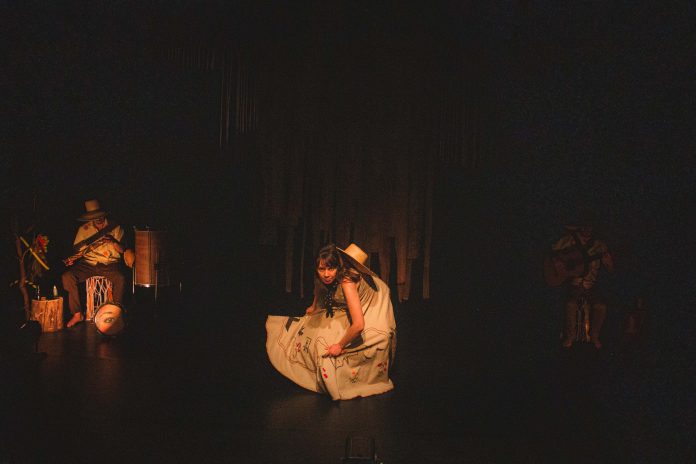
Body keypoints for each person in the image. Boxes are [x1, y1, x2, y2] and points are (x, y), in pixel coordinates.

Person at [266, 243, 397, 400]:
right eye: (321, 269)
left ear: (339, 267)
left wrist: (339, 346)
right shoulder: (325, 277)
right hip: (352, 304)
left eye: (331, 269)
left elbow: (358, 325)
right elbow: (319, 288)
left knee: (351, 342)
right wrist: (314, 307)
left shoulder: (347, 282)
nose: (326, 274)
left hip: (374, 304)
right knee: (312, 327)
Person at [61, 199, 130, 328]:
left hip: (110, 264)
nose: (97, 218)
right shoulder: (84, 229)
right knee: (67, 276)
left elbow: (123, 250)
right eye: (94, 216)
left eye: (99, 215)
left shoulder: (116, 228)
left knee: (121, 279)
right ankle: (77, 314)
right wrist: (73, 259)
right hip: (88, 264)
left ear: (104, 214)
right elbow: (77, 250)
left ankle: (115, 314)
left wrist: (113, 241)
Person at [551, 210, 614, 349]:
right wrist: (559, 262)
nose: (587, 229)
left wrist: (608, 262)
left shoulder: (600, 245)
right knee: (570, 304)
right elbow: (552, 251)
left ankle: (594, 335)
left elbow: (610, 269)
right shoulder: (570, 240)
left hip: (591, 286)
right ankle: (570, 336)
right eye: (585, 225)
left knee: (601, 306)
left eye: (590, 226)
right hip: (574, 284)